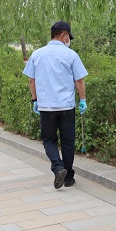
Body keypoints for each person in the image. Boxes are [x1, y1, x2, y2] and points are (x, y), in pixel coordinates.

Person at [23, 21, 88, 189]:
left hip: (46, 107)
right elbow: (79, 81)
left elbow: (31, 80)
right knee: (68, 142)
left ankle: (58, 167)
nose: (69, 40)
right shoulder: (71, 55)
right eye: (68, 37)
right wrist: (82, 100)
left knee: (49, 140)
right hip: (67, 107)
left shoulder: (37, 54)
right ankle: (68, 178)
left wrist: (35, 100)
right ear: (64, 35)